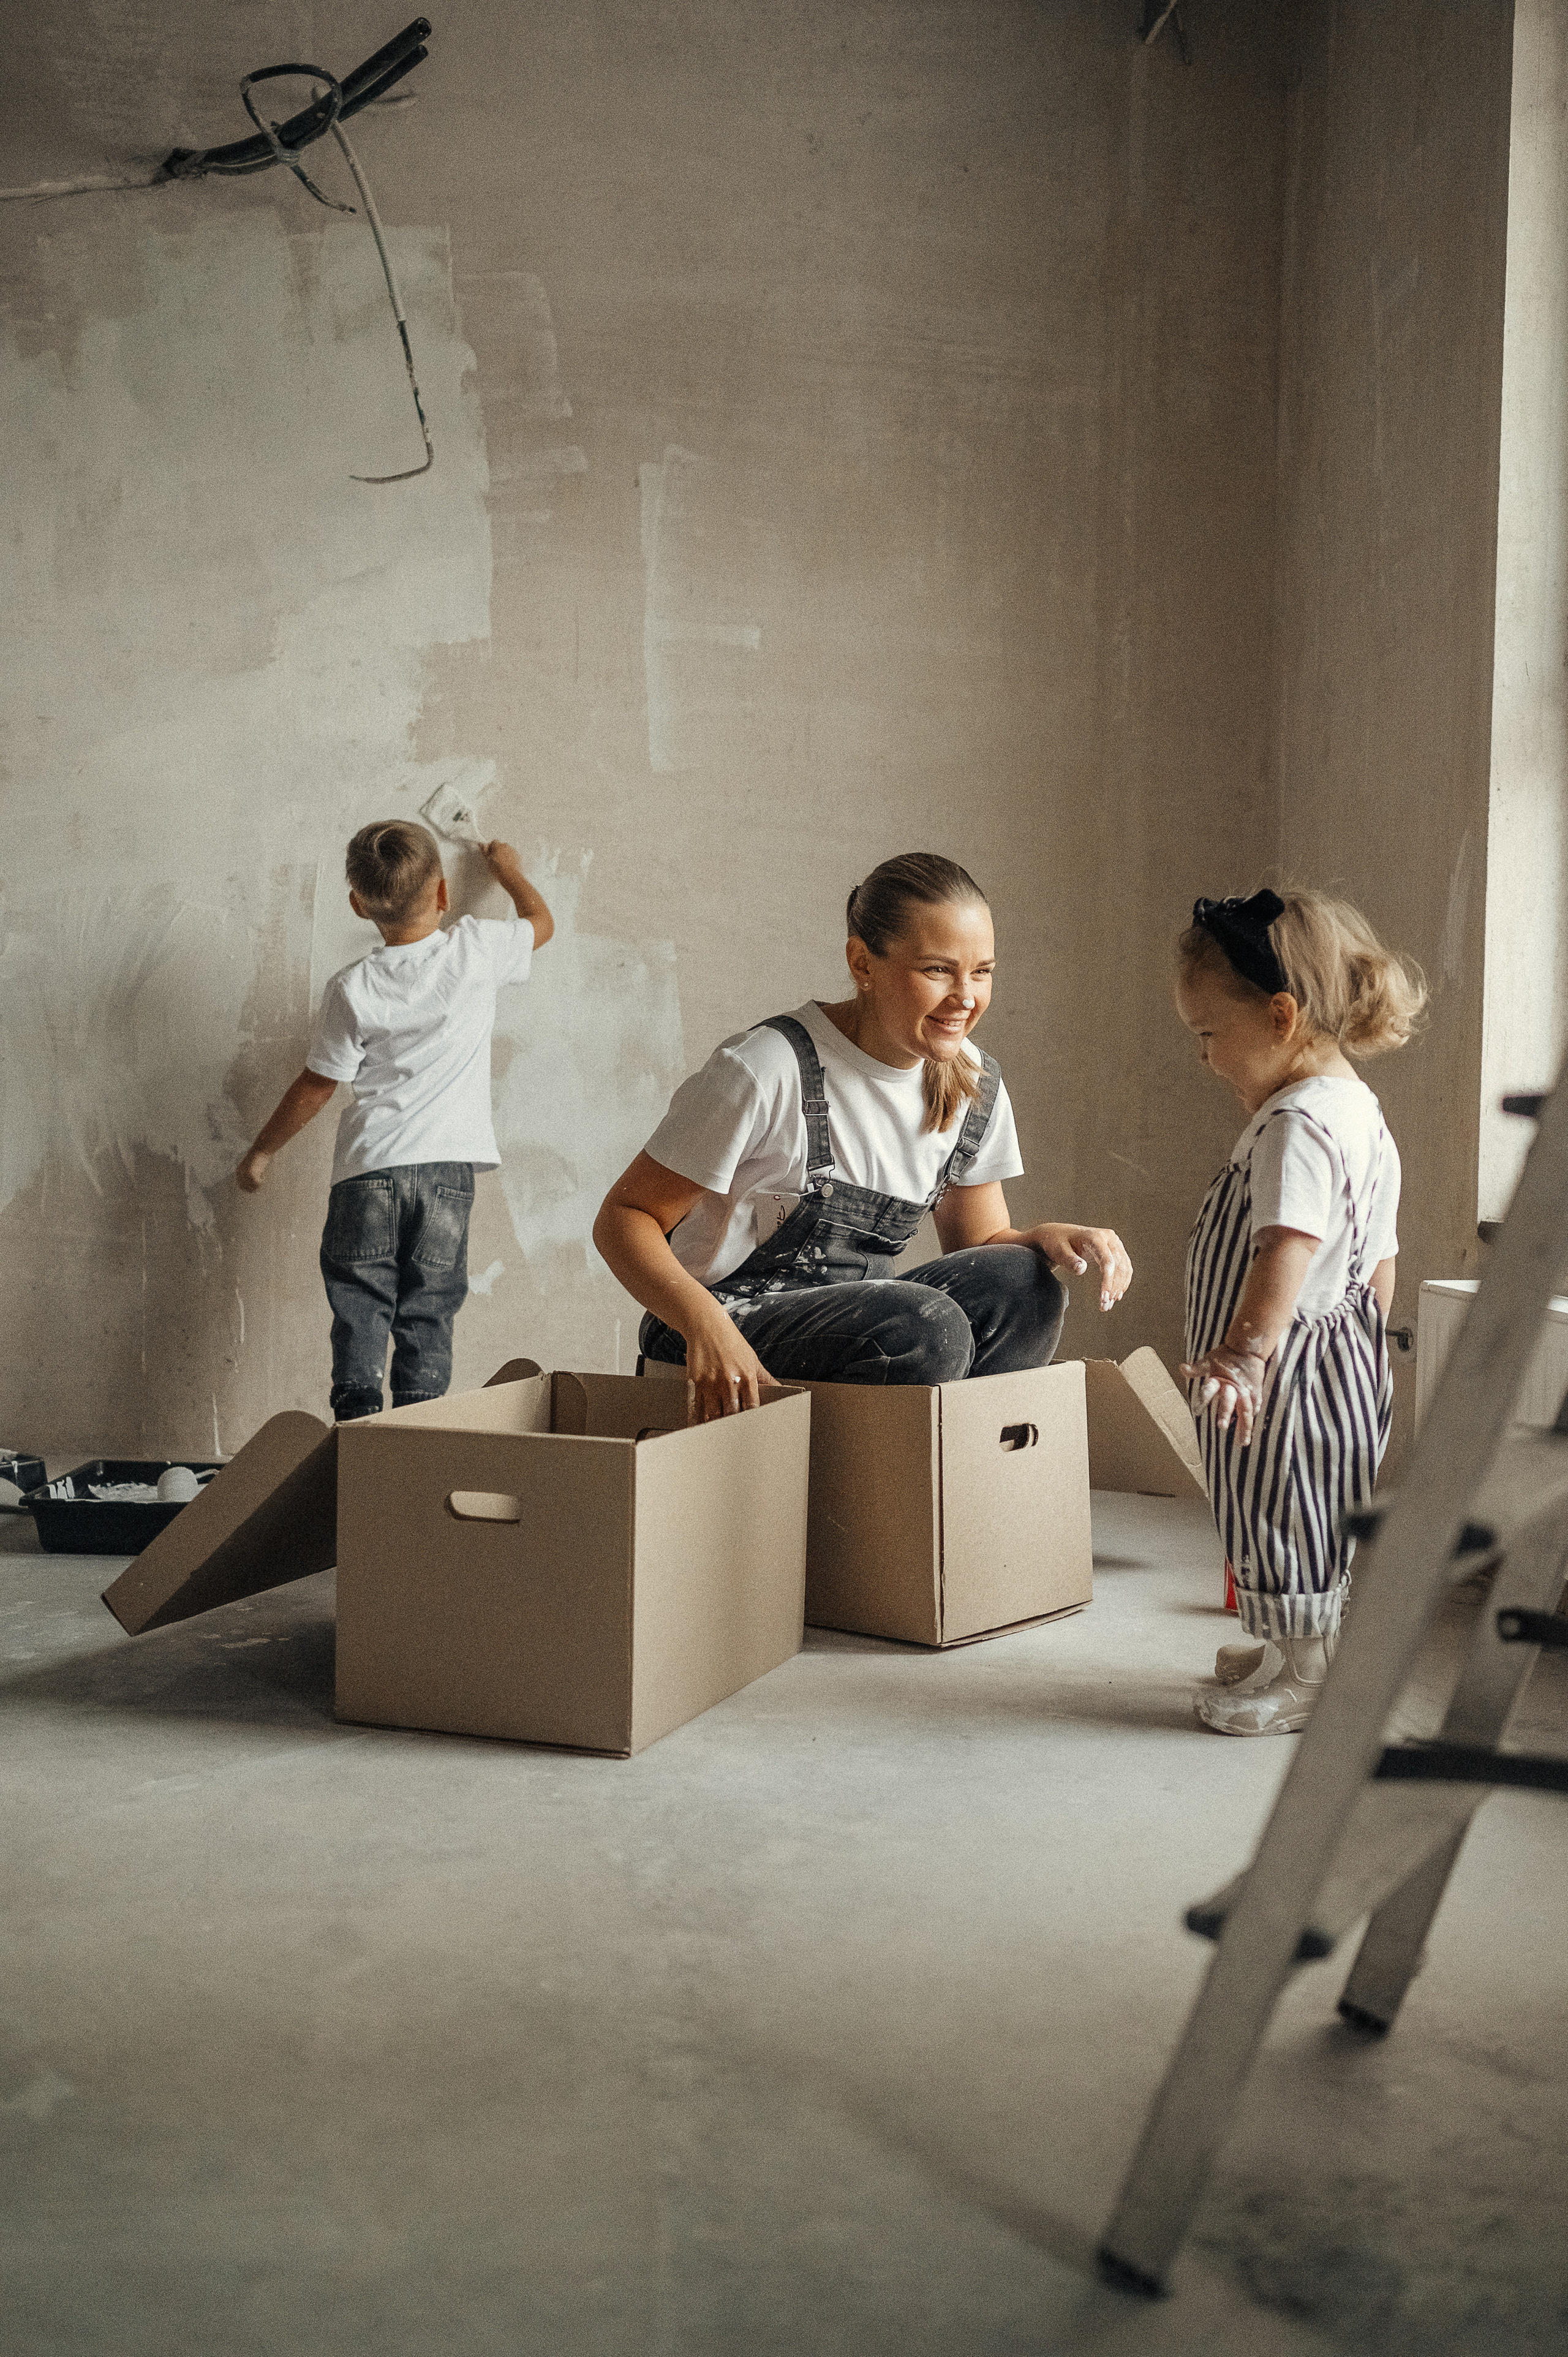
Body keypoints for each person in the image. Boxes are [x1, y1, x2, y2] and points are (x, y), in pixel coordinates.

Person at [594, 852, 1133, 1422]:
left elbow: (980, 1246)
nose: (966, 997)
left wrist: (1043, 1237)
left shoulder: (974, 1083)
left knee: (1025, 1284)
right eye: (937, 970)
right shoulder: (766, 1070)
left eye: (982, 971)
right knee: (925, 1327)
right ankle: (882, 1482)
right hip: (714, 1323)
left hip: (863, 1328)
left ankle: (958, 1474)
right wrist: (706, 1323)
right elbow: (623, 1218)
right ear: (863, 962)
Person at [1175, 887, 1427, 1736]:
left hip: (1286, 1370)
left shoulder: (1298, 1123)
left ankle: (1308, 1675)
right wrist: (1367, 1359)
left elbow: (1286, 1243)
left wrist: (1248, 1356)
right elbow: (1380, 1254)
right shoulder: (1358, 1110)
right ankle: (1297, 1647)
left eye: (1209, 1034)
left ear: (1281, 1015)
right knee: (1315, 1510)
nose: (1204, 1057)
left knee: (1280, 1507)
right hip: (1341, 1357)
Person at [235, 819, 554, 1421]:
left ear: (358, 903)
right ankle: (414, 1434)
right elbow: (542, 925)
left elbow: (317, 1085)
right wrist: (506, 868)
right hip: (446, 1176)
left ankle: (356, 1430)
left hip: (368, 1172)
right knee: (427, 1313)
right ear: (442, 895)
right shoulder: (476, 948)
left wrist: (261, 1152)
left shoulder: (351, 987)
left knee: (361, 1306)